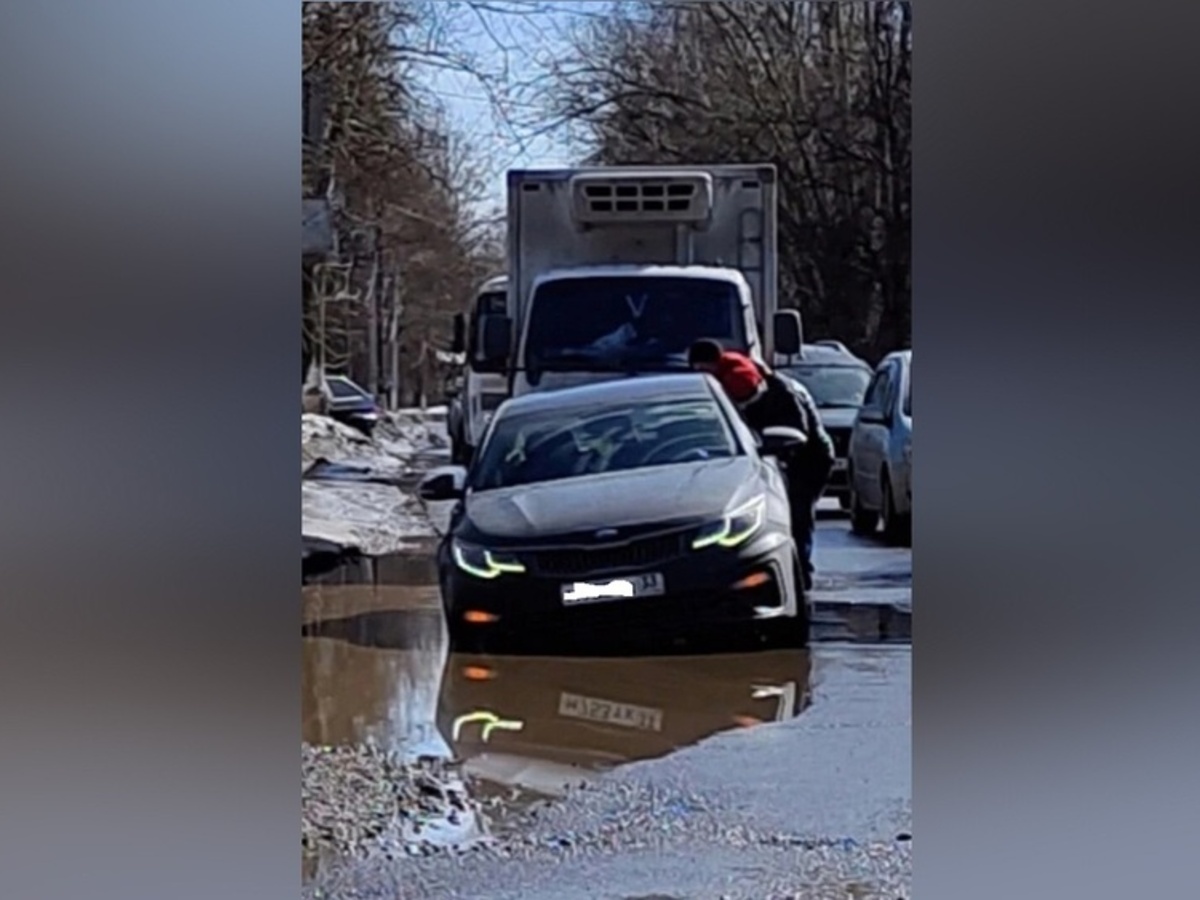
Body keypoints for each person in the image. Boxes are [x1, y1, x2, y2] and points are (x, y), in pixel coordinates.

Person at [687, 338, 835, 591]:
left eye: (701, 368)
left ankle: (800, 574)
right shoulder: (739, 372)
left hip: (807, 456)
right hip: (791, 453)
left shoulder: (739, 378)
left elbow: (776, 425)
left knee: (796, 513)